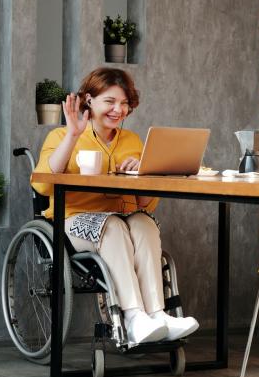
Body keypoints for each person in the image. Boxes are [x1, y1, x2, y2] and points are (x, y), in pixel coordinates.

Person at [32, 67, 199, 344]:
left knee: (144, 222)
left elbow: (146, 204)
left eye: (123, 103)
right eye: (110, 101)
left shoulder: (133, 141)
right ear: (89, 100)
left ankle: (157, 315)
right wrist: (73, 135)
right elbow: (43, 186)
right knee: (113, 226)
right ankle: (134, 317)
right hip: (73, 221)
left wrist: (143, 173)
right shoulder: (61, 136)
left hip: (123, 219)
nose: (118, 109)